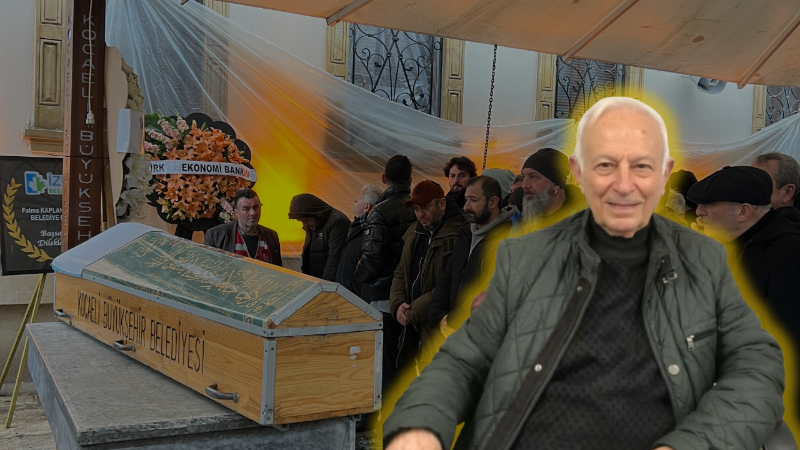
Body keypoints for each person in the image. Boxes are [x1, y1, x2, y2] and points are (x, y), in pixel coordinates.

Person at [384, 97, 784, 450]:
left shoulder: (700, 261)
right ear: (579, 171)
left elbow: (758, 370)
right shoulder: (525, 256)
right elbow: (463, 360)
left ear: (664, 174)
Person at [688, 165, 800, 413]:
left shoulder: (789, 252)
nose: (699, 211)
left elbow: (785, 343)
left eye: (708, 204)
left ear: (743, 211)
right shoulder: (737, 243)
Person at [428, 175, 518, 338]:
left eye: (474, 200)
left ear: (493, 202)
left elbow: (489, 289)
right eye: (466, 199)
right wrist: (438, 316)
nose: (466, 207)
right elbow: (446, 278)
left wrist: (453, 320)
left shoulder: (508, 238)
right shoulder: (465, 235)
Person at [354, 155, 417, 386]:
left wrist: (358, 276)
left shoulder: (379, 212)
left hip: (382, 296)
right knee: (406, 361)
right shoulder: (419, 209)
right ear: (410, 180)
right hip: (413, 295)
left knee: (383, 361)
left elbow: (372, 259)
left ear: (383, 178)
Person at [390, 180, 464, 369]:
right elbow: (400, 272)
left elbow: (448, 285)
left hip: (437, 334)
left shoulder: (458, 235)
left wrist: (412, 312)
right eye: (416, 209)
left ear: (442, 204)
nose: (420, 214)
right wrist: (397, 304)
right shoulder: (414, 233)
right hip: (413, 334)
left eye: (425, 207)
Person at [512, 148, 585, 235]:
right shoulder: (519, 223)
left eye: (533, 177)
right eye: (524, 177)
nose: (524, 185)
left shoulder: (586, 220)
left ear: (556, 185)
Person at [204, 189, 282, 266]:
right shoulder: (215, 235)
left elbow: (278, 270)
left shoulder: (271, 236)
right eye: (246, 209)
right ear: (236, 213)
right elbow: (208, 270)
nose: (253, 213)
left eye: (256, 207)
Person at [288, 193, 351, 281]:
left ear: (315, 213)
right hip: (316, 280)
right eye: (301, 221)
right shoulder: (315, 224)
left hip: (329, 283)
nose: (304, 225)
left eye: (306, 220)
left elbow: (335, 258)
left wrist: (325, 284)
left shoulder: (337, 222)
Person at [336, 184, 383, 299]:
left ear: (367, 206)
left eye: (360, 197)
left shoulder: (370, 234)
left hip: (355, 300)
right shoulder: (356, 230)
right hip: (346, 296)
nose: (355, 199)